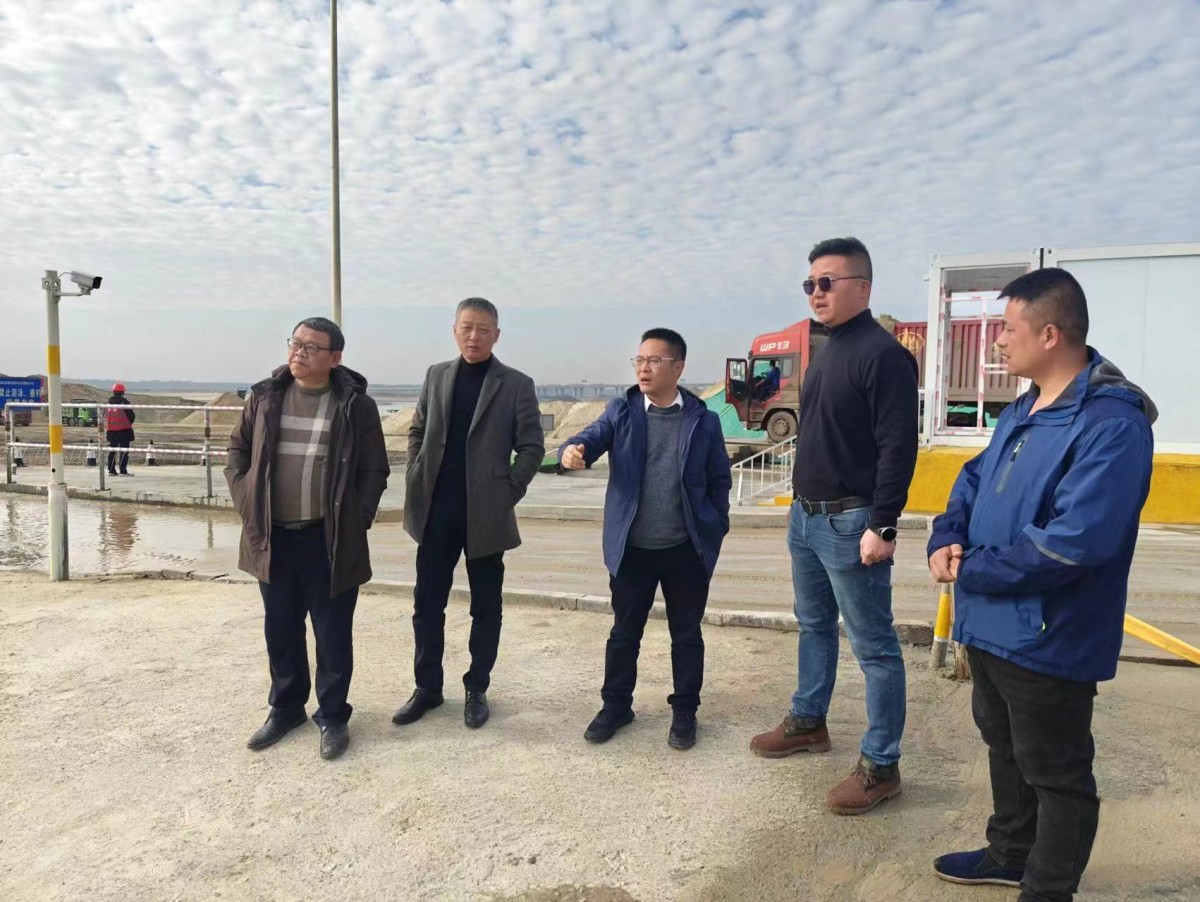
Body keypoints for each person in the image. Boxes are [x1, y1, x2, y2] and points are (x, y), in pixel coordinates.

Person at [927, 268, 1155, 901]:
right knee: (1004, 745)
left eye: (1007, 328)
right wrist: (947, 534)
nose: (998, 341)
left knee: (1057, 773)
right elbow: (975, 478)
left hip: (1049, 635)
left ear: (1049, 335)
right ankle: (1010, 853)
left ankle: (1048, 888)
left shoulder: (1111, 424)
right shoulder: (1023, 409)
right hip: (991, 625)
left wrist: (971, 568)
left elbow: (1073, 544)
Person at [750, 236, 919, 815]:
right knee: (813, 625)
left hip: (852, 522)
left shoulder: (883, 356)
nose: (816, 293)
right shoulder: (827, 351)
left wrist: (884, 525)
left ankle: (881, 765)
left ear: (862, 287)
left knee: (875, 647)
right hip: (806, 517)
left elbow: (898, 447)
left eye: (827, 282)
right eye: (810, 284)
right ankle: (808, 721)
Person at [226, 317, 389, 760]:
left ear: (335, 358)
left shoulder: (355, 406)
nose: (300, 351)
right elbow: (237, 452)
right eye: (296, 343)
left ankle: (333, 716)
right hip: (272, 537)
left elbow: (375, 470)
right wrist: (246, 499)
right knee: (280, 629)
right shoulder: (264, 397)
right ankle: (286, 709)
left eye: (312, 347)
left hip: (329, 539)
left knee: (332, 633)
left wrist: (356, 519)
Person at [560, 328, 732, 750]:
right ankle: (616, 706)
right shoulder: (621, 411)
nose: (644, 367)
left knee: (686, 635)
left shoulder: (703, 421)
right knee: (624, 633)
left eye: (654, 360)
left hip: (685, 550)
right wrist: (573, 449)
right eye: (639, 360)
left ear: (678, 367)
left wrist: (715, 524)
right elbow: (591, 437)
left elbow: (719, 479)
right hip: (632, 550)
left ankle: (685, 712)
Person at [395, 297, 545, 730]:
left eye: (483, 329)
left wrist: (508, 492)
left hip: (485, 515)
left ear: (497, 335)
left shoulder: (515, 384)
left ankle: (477, 688)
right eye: (466, 328)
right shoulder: (436, 374)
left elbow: (531, 447)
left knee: (486, 607)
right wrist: (415, 470)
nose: (474, 336)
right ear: (455, 331)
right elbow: (419, 429)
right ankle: (427, 687)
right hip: (435, 511)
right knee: (427, 604)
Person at [105, 383, 136, 476]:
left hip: (111, 430)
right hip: (124, 430)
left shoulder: (108, 403)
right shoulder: (124, 403)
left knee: (112, 451)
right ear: (123, 392)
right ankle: (123, 470)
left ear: (113, 391)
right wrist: (127, 423)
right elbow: (131, 416)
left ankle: (111, 470)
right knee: (124, 451)